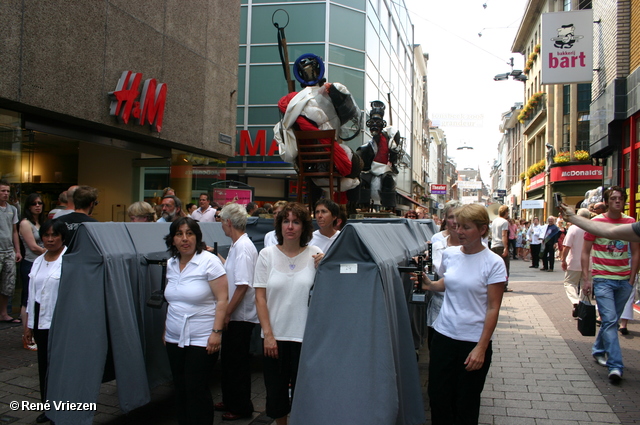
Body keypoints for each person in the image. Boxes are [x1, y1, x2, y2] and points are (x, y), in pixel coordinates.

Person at [416, 203, 506, 425]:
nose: (459, 232)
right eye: (457, 226)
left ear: (482, 229)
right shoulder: (450, 254)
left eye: (466, 227)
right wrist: (430, 285)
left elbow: (493, 307)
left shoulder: (494, 263)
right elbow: (451, 283)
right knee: (438, 398)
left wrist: (481, 347)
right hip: (444, 335)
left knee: (465, 403)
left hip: (472, 342)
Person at [254, 203, 323, 425]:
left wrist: (326, 268)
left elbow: (327, 296)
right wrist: (268, 335)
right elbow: (260, 298)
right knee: (276, 394)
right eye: (286, 221)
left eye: (296, 221)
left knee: (308, 394)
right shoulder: (266, 255)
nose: (290, 226)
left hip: (306, 339)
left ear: (304, 227)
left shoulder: (316, 255)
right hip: (274, 338)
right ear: (279, 225)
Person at [163, 217, 228, 425]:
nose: (185, 239)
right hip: (175, 336)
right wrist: (166, 330)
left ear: (197, 237)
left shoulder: (209, 261)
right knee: (180, 387)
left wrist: (216, 333)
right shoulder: (171, 263)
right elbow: (174, 300)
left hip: (203, 337)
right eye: (179, 234)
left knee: (196, 387)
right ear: (172, 239)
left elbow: (222, 299)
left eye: (189, 233)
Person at [578, 186, 639, 384]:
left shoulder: (630, 223)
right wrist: (587, 278)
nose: (617, 201)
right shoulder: (596, 222)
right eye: (613, 198)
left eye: (620, 198)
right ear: (607, 201)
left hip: (623, 280)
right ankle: (615, 365)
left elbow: (636, 251)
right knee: (611, 321)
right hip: (603, 278)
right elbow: (585, 251)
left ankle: (598, 349)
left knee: (609, 322)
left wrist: (631, 278)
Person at [215, 203, 259, 420]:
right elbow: (233, 273)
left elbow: (242, 285)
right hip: (237, 315)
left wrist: (227, 313)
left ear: (228, 222)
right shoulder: (238, 245)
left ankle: (241, 407)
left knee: (236, 363)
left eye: (222, 221)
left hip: (240, 317)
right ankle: (231, 399)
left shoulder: (242, 248)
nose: (221, 225)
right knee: (230, 361)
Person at [24, 219, 69, 424]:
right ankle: (47, 408)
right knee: (44, 365)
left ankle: (64, 408)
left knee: (61, 367)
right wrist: (28, 325)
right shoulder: (39, 260)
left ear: (62, 236)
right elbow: (31, 294)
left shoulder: (69, 260)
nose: (50, 239)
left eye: (54, 235)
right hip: (41, 320)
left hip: (61, 322)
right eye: (46, 235)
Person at [426, 200, 462, 349]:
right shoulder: (437, 241)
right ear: (445, 219)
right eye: (451, 217)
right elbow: (437, 271)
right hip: (439, 303)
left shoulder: (472, 245)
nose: (455, 222)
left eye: (459, 217)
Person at [19, 193, 47, 349]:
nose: (38, 206)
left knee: (38, 297)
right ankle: (26, 335)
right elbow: (33, 247)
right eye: (34, 203)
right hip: (30, 263)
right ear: (29, 206)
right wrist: (51, 252)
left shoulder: (41, 222)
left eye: (40, 203)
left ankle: (35, 333)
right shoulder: (25, 223)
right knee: (27, 299)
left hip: (42, 263)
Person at [560, 208, 591, 317]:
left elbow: (567, 246)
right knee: (585, 285)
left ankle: (575, 301)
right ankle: (582, 306)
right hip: (589, 263)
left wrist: (563, 259)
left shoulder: (573, 228)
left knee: (569, 283)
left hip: (574, 261)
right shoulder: (592, 228)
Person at [0, 180, 22, 323]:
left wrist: (17, 250)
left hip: (8, 251)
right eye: (3, 191)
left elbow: (15, 231)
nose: (5, 194)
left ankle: (3, 313)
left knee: (8, 284)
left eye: (7, 191)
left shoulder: (12, 209)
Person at [489, 205, 510, 291]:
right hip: (500, 246)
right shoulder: (504, 222)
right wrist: (506, 247)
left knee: (495, 267)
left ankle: (495, 284)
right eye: (508, 212)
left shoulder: (494, 221)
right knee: (505, 266)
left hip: (493, 245)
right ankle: (504, 285)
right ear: (505, 212)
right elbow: (504, 235)